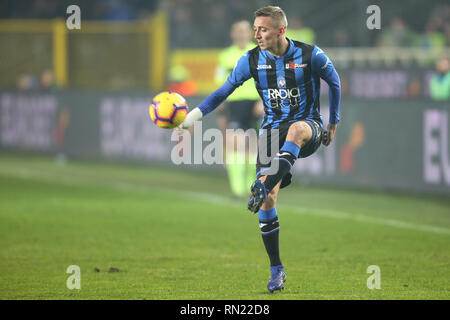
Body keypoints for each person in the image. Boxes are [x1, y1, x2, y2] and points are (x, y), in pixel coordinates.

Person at [178, 6, 341, 293]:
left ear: (281, 30)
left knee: (296, 130)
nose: (256, 34)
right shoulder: (251, 60)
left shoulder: (310, 54)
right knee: (268, 202)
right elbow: (222, 92)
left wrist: (334, 122)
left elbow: (335, 81)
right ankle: (276, 269)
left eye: (262, 29)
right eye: (255, 29)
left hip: (309, 127)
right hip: (270, 133)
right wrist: (194, 116)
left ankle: (264, 182)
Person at [214, 20, 264, 199]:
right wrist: (221, 107)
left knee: (253, 148)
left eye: (244, 30)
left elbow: (266, 80)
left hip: (254, 104)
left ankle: (250, 185)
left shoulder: (258, 53)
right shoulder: (225, 56)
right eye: (238, 30)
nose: (241, 33)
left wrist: (262, 101)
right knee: (236, 145)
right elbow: (220, 83)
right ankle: (237, 188)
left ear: (250, 33)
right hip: (234, 104)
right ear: (232, 34)